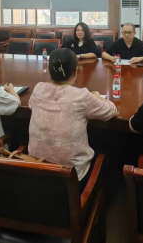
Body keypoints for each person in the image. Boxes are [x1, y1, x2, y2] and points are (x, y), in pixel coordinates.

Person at [28, 48, 118, 190]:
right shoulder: (82, 96)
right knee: (105, 154)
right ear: (75, 71)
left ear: (50, 71)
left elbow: (31, 104)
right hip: (71, 177)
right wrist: (99, 98)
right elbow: (112, 111)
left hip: (36, 170)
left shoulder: (38, 89)